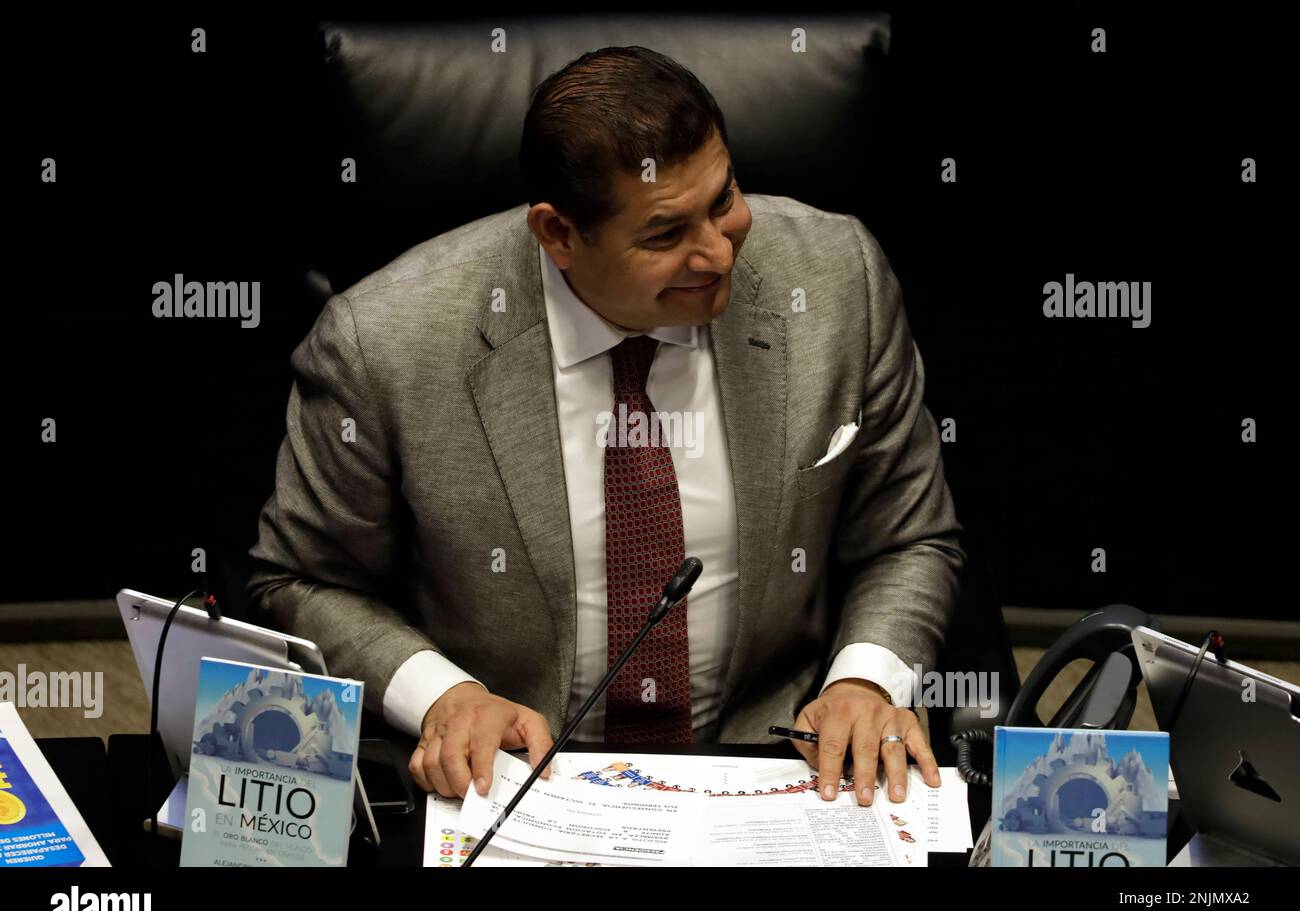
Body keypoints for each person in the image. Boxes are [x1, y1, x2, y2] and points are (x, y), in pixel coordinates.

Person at [247, 46, 964, 811]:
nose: (720, 253)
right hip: (514, 775)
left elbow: (907, 537)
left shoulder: (835, 279)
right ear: (558, 234)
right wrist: (445, 697)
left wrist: (862, 682)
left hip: (776, 763)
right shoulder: (384, 341)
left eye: (724, 200)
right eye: (665, 235)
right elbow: (302, 577)